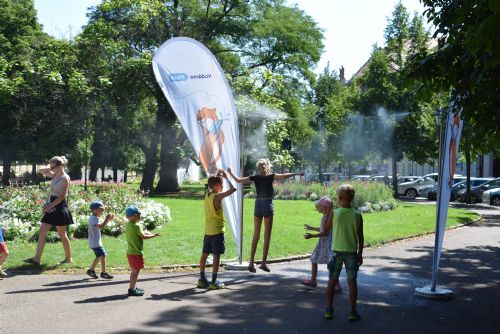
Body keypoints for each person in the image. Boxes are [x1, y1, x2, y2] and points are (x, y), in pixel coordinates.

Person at [227, 159, 303, 273]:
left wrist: (230, 172)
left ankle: (251, 262)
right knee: (267, 236)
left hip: (258, 204)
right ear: (267, 167)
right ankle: (263, 263)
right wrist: (297, 173)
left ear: (258, 167)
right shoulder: (271, 176)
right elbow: (284, 176)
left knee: (256, 235)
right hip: (267, 204)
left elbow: (238, 180)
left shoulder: (255, 177)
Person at [323, 184, 364, 321]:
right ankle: (352, 312)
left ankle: (329, 310)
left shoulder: (335, 213)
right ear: (352, 198)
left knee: (332, 281)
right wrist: (360, 254)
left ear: (340, 198)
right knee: (352, 282)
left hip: (336, 252)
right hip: (352, 253)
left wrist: (328, 212)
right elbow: (361, 237)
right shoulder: (358, 215)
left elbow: (325, 229)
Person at [24, 156, 74, 266]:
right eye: (51, 166)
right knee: (42, 231)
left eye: (53, 166)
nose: (51, 169)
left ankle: (69, 258)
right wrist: (51, 166)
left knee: (62, 234)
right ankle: (36, 259)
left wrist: (49, 206)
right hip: (51, 205)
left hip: (59, 206)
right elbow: (41, 171)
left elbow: (62, 196)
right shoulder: (55, 175)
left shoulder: (65, 178)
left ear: (61, 166)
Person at [197, 170, 236, 290]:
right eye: (221, 184)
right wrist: (227, 177)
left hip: (208, 230)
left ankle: (202, 279)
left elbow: (211, 183)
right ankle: (214, 281)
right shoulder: (218, 196)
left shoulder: (207, 194)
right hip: (217, 231)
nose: (223, 186)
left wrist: (218, 175)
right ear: (215, 186)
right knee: (216, 256)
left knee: (204, 254)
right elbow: (234, 188)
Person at [303, 197, 341, 293]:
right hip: (322, 242)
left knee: (330, 263)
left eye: (319, 205)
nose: (317, 207)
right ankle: (313, 280)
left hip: (328, 243)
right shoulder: (324, 216)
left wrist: (312, 236)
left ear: (324, 207)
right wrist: (311, 228)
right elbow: (322, 228)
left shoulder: (329, 217)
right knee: (314, 258)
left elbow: (325, 232)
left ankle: (337, 285)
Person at [125, 205, 161, 297]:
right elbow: (143, 236)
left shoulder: (129, 225)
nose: (140, 216)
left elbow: (142, 233)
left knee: (135, 270)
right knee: (135, 271)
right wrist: (154, 235)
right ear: (133, 215)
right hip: (136, 253)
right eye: (138, 214)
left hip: (130, 252)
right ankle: (131, 290)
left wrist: (149, 233)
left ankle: (133, 287)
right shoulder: (136, 226)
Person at [86, 201, 114, 279]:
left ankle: (91, 270)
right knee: (103, 255)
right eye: (101, 209)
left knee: (99, 256)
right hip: (95, 242)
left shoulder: (95, 217)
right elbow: (101, 226)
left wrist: (108, 220)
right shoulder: (93, 219)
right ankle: (103, 273)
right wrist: (107, 219)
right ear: (94, 210)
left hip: (95, 242)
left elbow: (101, 225)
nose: (102, 211)